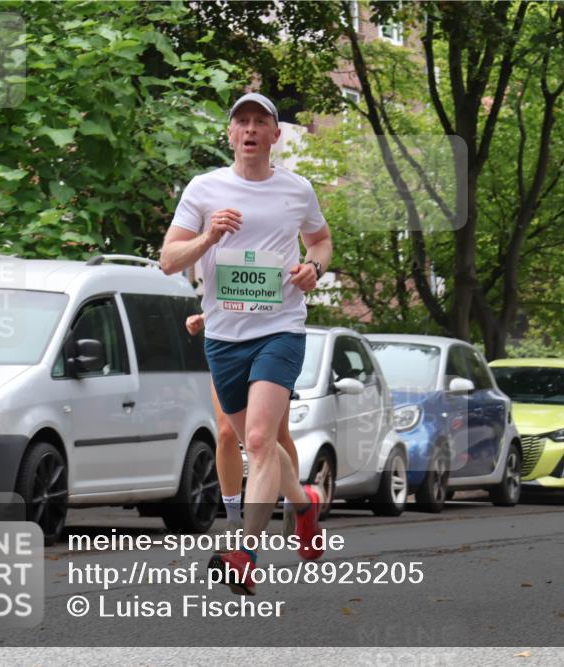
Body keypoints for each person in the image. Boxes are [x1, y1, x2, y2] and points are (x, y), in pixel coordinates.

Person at [162, 92, 333, 595]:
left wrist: (313, 268)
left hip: (280, 328)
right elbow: (170, 260)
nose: (251, 130)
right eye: (243, 122)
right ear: (231, 134)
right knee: (251, 441)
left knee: (258, 440)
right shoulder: (204, 188)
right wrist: (209, 237)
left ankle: (243, 553)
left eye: (262, 122)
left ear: (276, 135)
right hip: (222, 335)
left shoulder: (297, 190)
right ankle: (303, 507)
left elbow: (320, 240)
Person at [184, 313, 300, 534]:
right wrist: (204, 316)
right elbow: (230, 293)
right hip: (227, 345)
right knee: (226, 433)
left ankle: (294, 504)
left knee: (276, 434)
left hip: (270, 342)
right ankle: (234, 519)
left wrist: (312, 275)